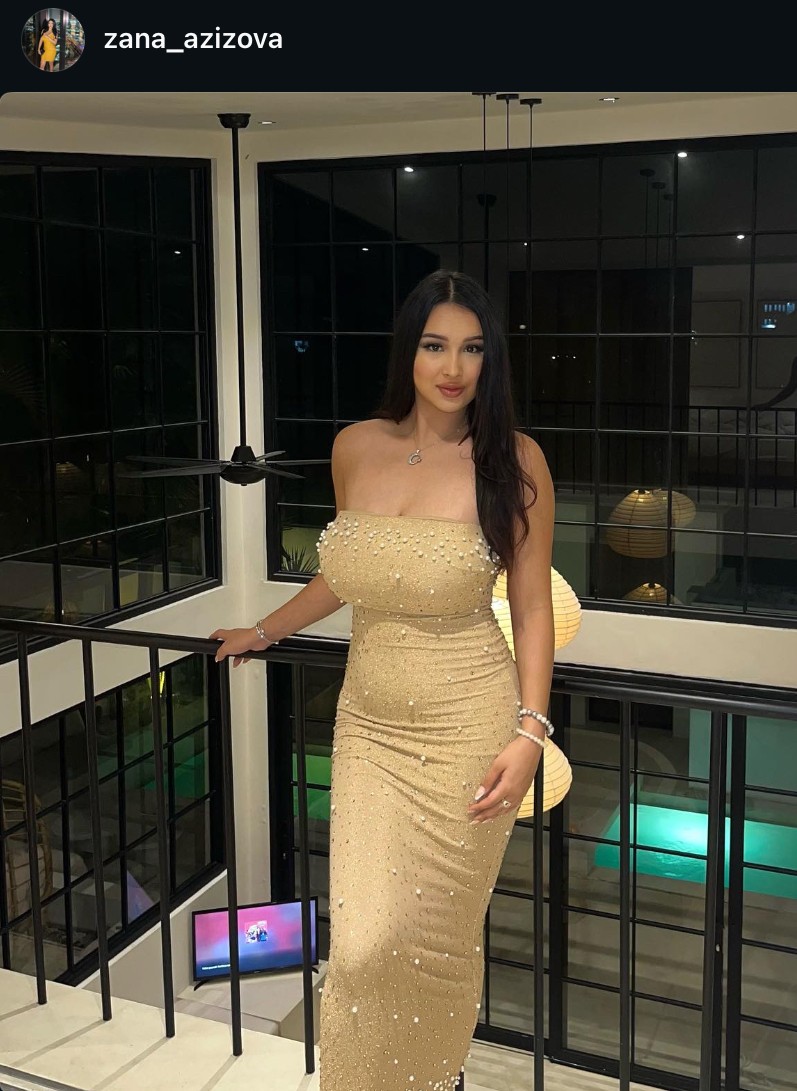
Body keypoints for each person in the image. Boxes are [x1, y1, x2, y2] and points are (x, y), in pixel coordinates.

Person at [211, 270, 556, 1091]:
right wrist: (264, 630)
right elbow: (347, 573)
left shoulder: (513, 460)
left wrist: (529, 731)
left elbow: (533, 605)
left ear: (490, 360)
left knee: (431, 941)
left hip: (468, 724)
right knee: (362, 945)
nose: (453, 367)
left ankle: (430, 1080)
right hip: (367, 726)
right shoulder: (355, 446)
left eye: (471, 348)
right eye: (435, 345)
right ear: (409, 351)